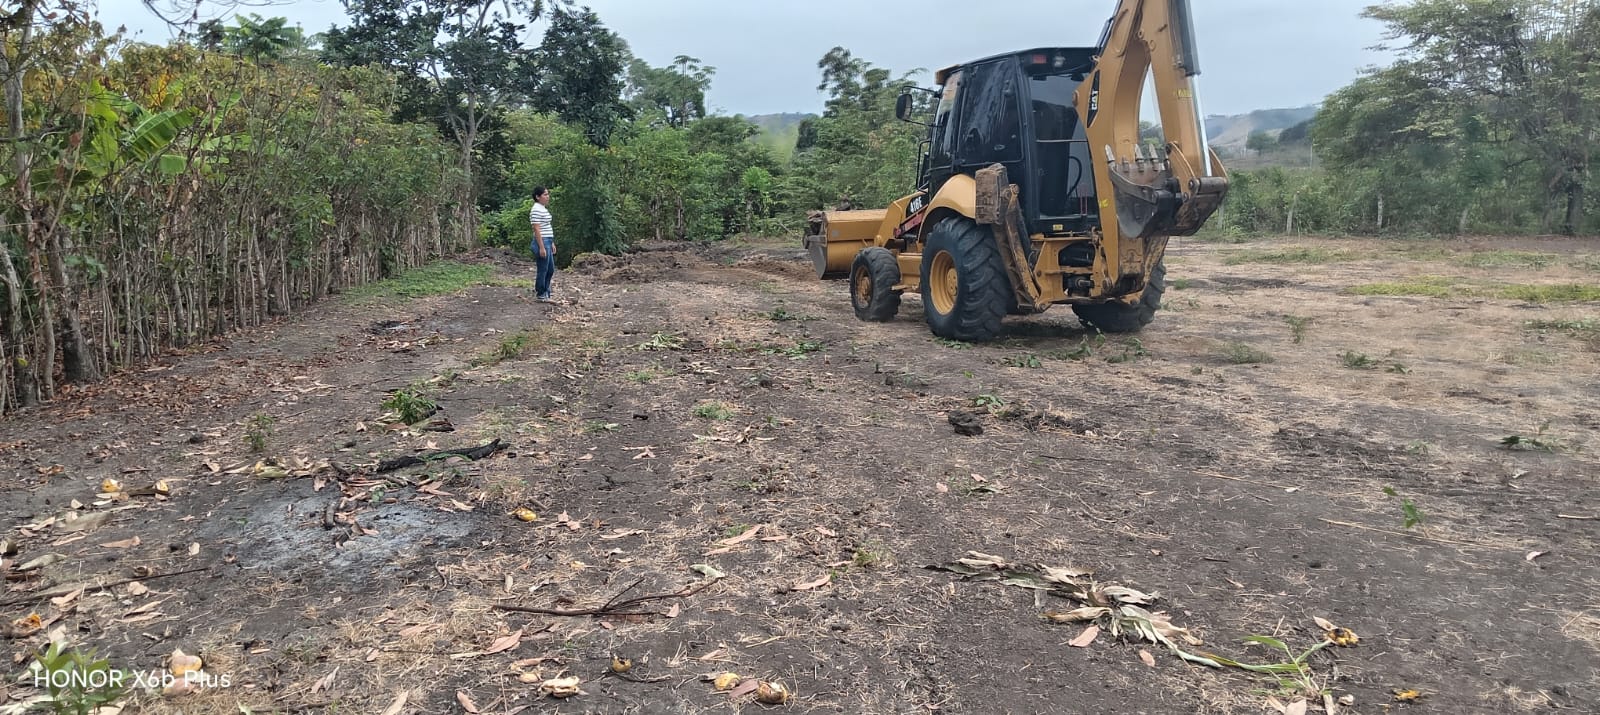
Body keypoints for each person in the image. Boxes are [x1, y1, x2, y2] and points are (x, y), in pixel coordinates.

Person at [529, 186, 556, 302]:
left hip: (547, 240)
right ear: (537, 197)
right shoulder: (536, 209)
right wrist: (541, 247)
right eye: (545, 194)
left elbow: (547, 226)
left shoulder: (543, 208)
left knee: (550, 269)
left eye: (547, 194)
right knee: (543, 269)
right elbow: (536, 229)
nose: (547, 197)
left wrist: (552, 242)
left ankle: (546, 292)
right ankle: (541, 293)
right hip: (542, 241)